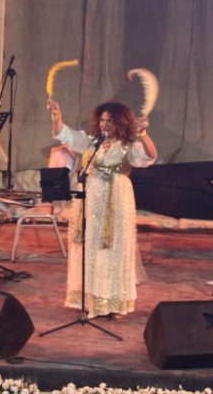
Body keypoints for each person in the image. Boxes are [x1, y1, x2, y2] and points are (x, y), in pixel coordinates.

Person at [47, 99, 156, 319]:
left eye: (110, 121)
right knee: (91, 248)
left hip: (116, 201)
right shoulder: (91, 142)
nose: (104, 124)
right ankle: (91, 301)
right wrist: (56, 116)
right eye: (103, 120)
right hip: (90, 201)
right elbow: (63, 133)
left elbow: (150, 155)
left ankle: (114, 303)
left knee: (113, 249)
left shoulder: (128, 146)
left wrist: (143, 134)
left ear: (121, 123)